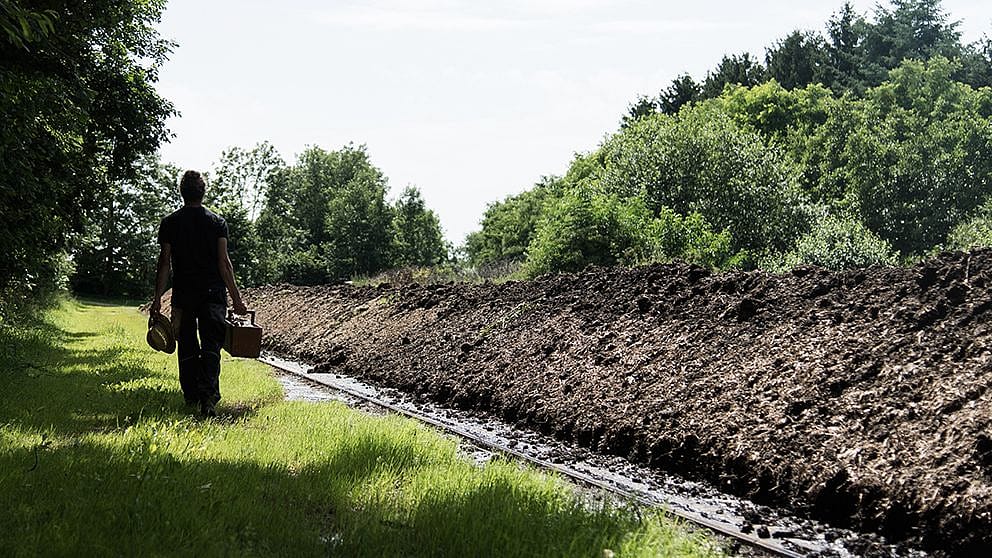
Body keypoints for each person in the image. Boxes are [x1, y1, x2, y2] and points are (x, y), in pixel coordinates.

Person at [151, 170, 248, 417]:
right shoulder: (217, 223)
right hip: (213, 294)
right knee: (211, 345)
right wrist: (237, 299)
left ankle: (191, 396)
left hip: (184, 295)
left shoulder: (170, 223)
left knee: (187, 345)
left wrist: (157, 299)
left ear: (181, 192)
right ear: (203, 192)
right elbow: (224, 263)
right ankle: (208, 399)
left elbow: (164, 263)